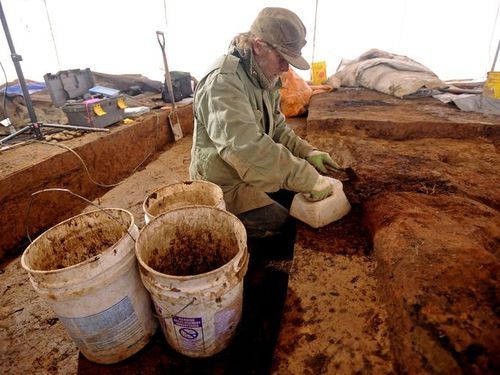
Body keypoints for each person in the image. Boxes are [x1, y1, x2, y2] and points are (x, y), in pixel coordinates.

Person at [189, 7, 340, 239]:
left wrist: (307, 152)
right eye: (282, 59)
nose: (285, 68)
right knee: (285, 225)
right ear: (259, 46)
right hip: (224, 185)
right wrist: (307, 177)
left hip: (251, 171)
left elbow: (277, 127)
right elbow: (245, 148)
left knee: (294, 198)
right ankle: (254, 267)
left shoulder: (261, 74)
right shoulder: (223, 82)